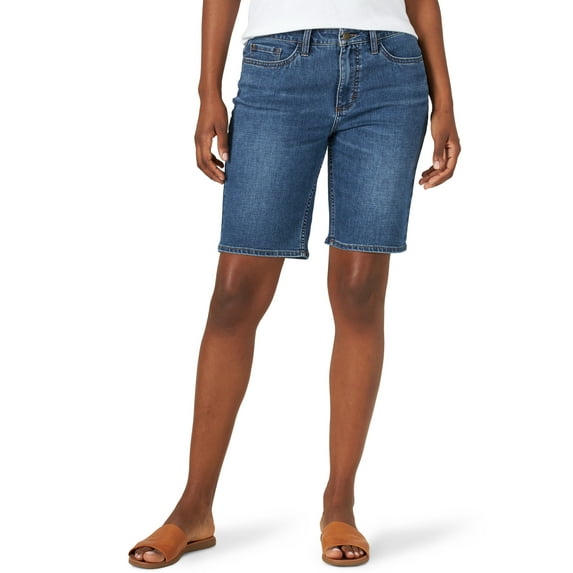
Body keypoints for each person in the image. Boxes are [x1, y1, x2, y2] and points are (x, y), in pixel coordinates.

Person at [128, 0, 460, 567]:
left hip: (392, 72)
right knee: (235, 294)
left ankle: (339, 503)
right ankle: (194, 507)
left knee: (359, 291)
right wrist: (208, 91)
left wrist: (445, 102)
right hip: (278, 66)